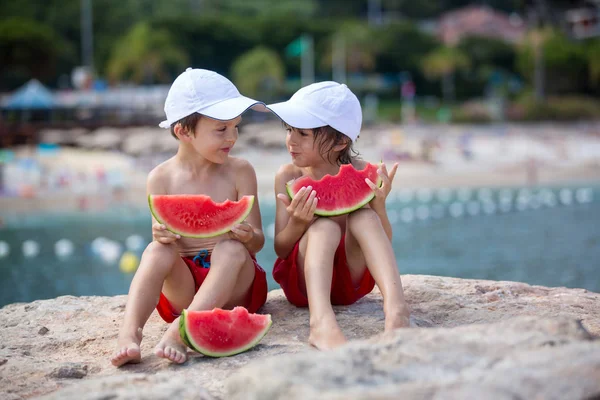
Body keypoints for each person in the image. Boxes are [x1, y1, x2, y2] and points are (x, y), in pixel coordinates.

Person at [111, 68, 268, 366]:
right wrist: (160, 235)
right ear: (182, 131)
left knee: (232, 248)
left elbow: (258, 242)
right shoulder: (160, 179)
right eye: (221, 130)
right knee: (156, 250)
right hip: (183, 290)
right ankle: (129, 333)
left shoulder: (241, 171)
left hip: (235, 286)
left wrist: (250, 236)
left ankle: (180, 333)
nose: (232, 137)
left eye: (236, 127)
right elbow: (163, 240)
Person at [267, 81, 410, 350]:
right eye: (289, 131)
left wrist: (379, 205)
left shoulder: (364, 172)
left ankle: (396, 310)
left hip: (351, 283)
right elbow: (281, 247)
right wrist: (298, 222)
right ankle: (320, 324)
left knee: (365, 219)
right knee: (324, 228)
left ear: (340, 141)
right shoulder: (288, 176)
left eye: (302, 133)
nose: (291, 140)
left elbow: (382, 240)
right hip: (303, 285)